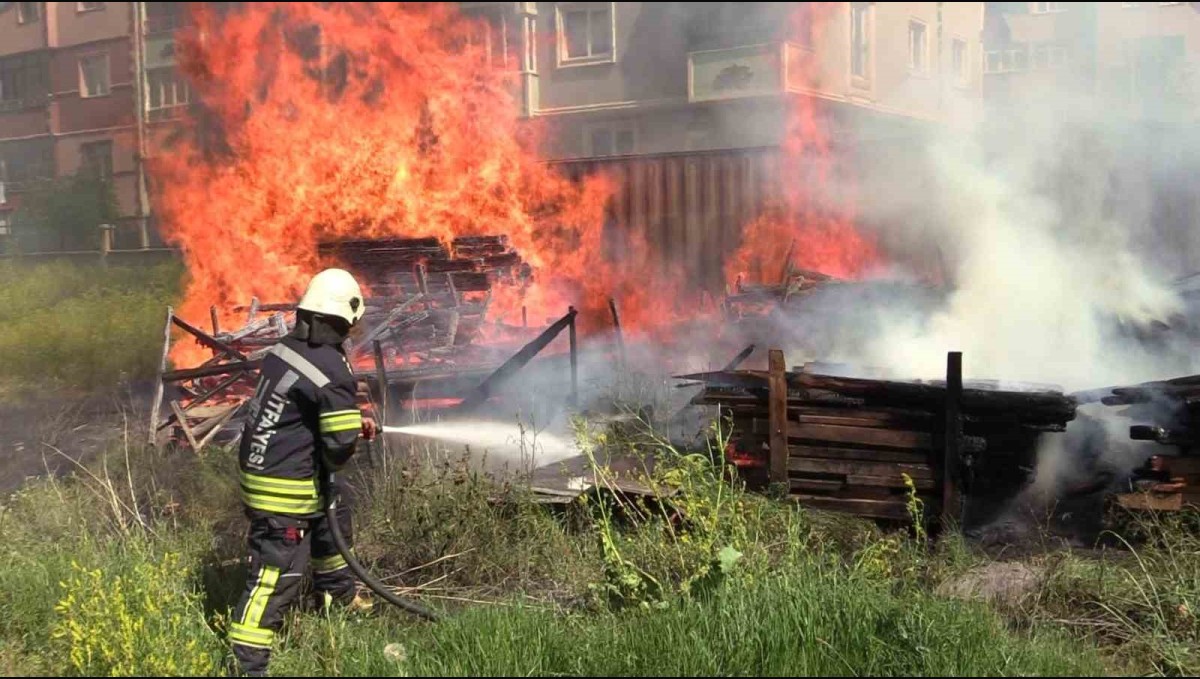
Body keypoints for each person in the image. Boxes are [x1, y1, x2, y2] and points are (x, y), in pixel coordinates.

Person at [228, 268, 377, 677]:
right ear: (342, 319)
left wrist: (346, 424)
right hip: (284, 490)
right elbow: (338, 445)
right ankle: (248, 665)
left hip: (264, 470)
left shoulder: (282, 350)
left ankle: (338, 600)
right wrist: (346, 437)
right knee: (274, 580)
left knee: (336, 513)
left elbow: (299, 412)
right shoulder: (332, 365)